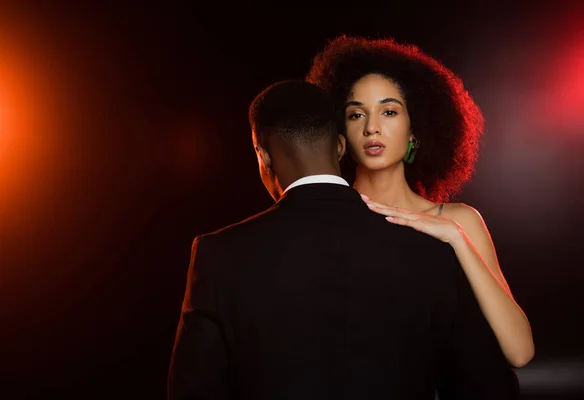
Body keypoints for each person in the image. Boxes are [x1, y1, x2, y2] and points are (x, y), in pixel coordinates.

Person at [167, 80, 519, 399]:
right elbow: (489, 390)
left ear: (263, 158)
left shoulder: (218, 256)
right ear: (339, 147)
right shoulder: (431, 247)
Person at [305, 34, 534, 368]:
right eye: (356, 115)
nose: (372, 128)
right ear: (338, 132)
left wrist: (454, 237)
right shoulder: (322, 218)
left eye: (389, 112)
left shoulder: (458, 220)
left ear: (415, 128)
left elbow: (520, 352)